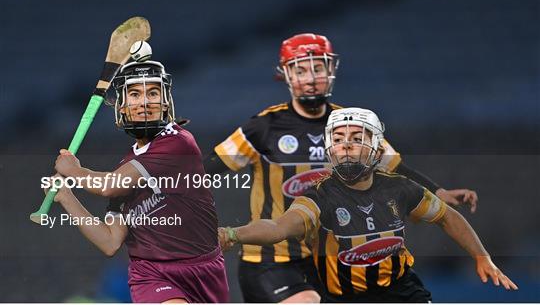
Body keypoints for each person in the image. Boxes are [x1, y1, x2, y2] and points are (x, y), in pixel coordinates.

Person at [204, 33, 478, 302]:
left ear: (331, 69)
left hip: (324, 261)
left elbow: (395, 168)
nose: (310, 79)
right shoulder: (263, 127)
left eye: (318, 68)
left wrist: (439, 192)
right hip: (272, 261)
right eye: (300, 70)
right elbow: (208, 169)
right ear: (286, 75)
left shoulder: (349, 125)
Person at [219, 107, 518, 302]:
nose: (346, 145)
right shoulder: (317, 197)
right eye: (338, 138)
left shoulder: (401, 189)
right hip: (343, 298)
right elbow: (277, 228)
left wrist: (482, 257)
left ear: (376, 147)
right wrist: (233, 235)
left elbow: (448, 218)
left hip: (401, 290)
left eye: (356, 138)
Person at [51, 59, 229, 303]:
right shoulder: (127, 167)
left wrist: (74, 170)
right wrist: (66, 198)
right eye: (134, 94)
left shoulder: (178, 142)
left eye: (153, 92)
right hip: (152, 275)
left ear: (165, 101)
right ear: (122, 106)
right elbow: (110, 241)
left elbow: (109, 185)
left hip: (206, 270)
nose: (144, 102)